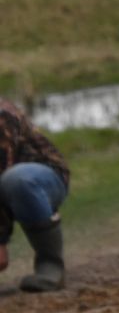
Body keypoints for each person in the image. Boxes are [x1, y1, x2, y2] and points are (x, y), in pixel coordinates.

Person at [1, 99, 69, 293]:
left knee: (17, 180)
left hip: (41, 180)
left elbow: (2, 171)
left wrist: (0, 241)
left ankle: (50, 266)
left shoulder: (2, 116)